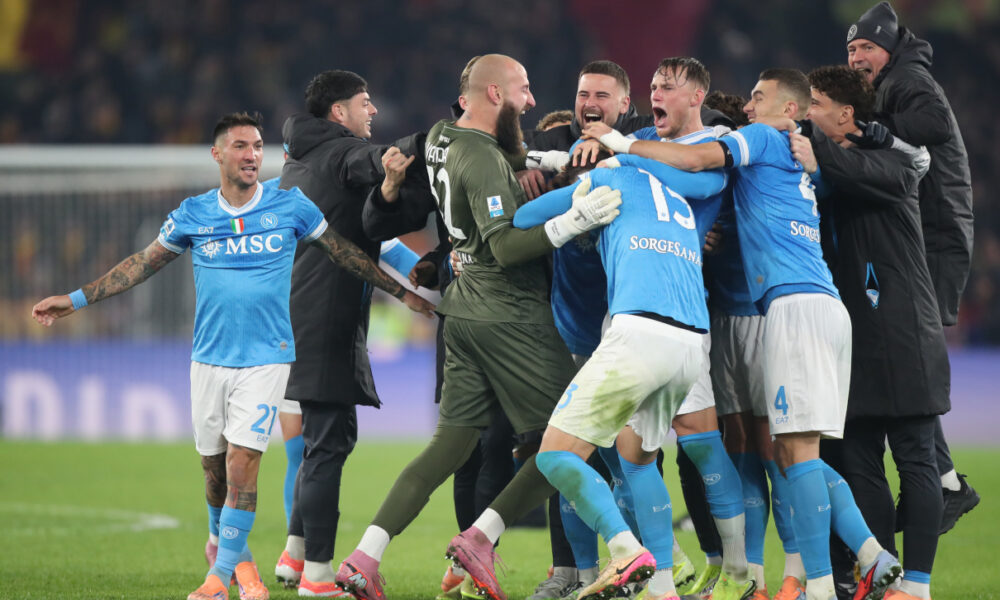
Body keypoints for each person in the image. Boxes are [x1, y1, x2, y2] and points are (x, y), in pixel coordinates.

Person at [30, 112, 435, 600]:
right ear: (218, 154)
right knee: (214, 471)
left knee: (245, 463)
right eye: (240, 146)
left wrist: (402, 293)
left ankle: (220, 578)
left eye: (257, 146)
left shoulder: (290, 207)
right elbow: (141, 264)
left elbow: (345, 252)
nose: (251, 155)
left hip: (267, 359)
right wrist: (74, 300)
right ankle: (232, 558)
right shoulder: (194, 213)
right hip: (209, 360)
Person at [585, 68, 901, 600]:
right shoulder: (801, 159)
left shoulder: (759, 137)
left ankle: (817, 584)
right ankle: (866, 556)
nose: (748, 108)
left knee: (791, 454)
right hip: (815, 303)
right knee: (790, 451)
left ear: (788, 110)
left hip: (789, 307)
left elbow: (695, 161)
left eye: (759, 98)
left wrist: (621, 144)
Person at [328, 54, 621, 600]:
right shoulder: (483, 160)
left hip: (460, 313)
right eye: (523, 89)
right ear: (492, 94)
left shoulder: (441, 136)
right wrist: (575, 219)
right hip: (508, 314)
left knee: (449, 446)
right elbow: (507, 247)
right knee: (571, 438)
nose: (532, 100)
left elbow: (498, 153)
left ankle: (363, 558)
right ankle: (483, 537)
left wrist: (546, 157)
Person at [512, 150, 728, 600]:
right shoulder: (681, 191)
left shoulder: (609, 178)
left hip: (639, 332)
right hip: (690, 343)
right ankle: (664, 590)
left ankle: (625, 549)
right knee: (638, 461)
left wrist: (575, 197)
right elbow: (713, 182)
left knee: (555, 456)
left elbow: (523, 217)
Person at [269, 70, 436, 597]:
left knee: (322, 438)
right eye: (365, 103)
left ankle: (295, 555)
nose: (373, 112)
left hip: (301, 314)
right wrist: (440, 140)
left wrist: (411, 280)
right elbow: (375, 159)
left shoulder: (300, 162)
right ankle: (318, 576)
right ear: (339, 113)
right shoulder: (344, 155)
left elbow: (358, 234)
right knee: (326, 445)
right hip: (326, 319)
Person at [790, 64, 946, 600]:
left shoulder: (890, 162)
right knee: (860, 464)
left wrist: (821, 155)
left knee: (915, 459)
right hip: (850, 340)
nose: (808, 114)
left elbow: (892, 175)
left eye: (815, 104)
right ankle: (885, 580)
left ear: (845, 114)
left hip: (905, 335)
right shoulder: (828, 173)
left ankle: (918, 588)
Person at [847, 1, 978, 533]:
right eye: (851, 49)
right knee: (905, 361)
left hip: (934, 238)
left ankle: (946, 486)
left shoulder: (909, 78)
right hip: (928, 235)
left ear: (889, 48)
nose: (857, 58)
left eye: (866, 49)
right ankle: (945, 484)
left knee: (909, 361)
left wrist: (868, 126)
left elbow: (934, 124)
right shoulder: (895, 79)